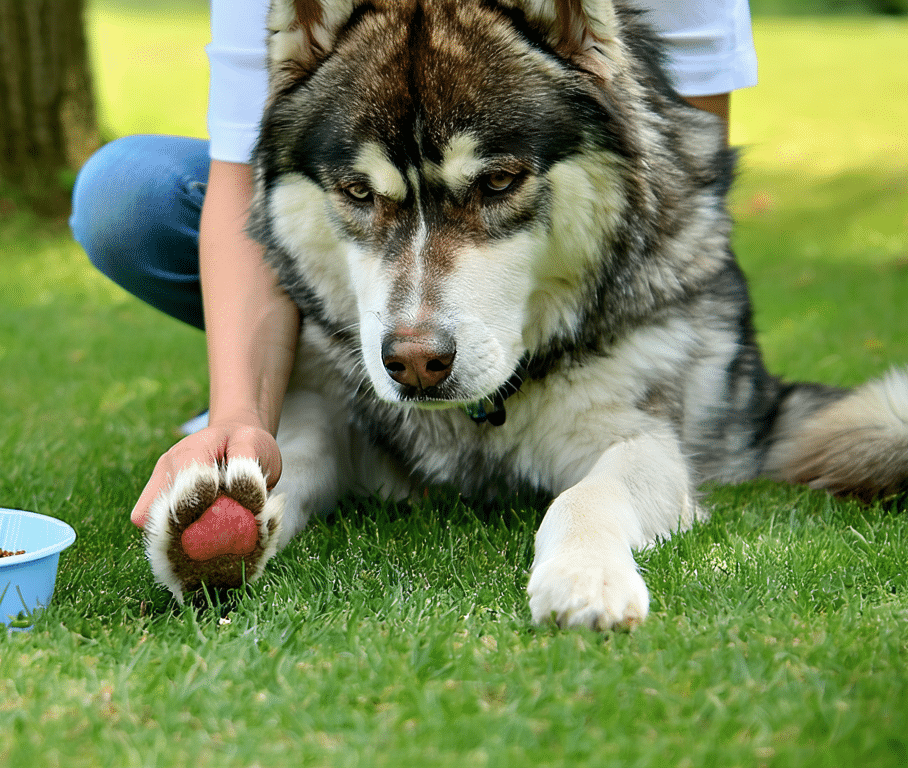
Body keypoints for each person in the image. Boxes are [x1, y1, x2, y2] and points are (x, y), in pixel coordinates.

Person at [69, 0, 759, 531]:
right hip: (346, 138)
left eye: (495, 183)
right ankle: (308, 374)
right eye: (359, 192)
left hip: (592, 217)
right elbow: (241, 182)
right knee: (132, 194)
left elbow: (684, 173)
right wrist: (239, 414)